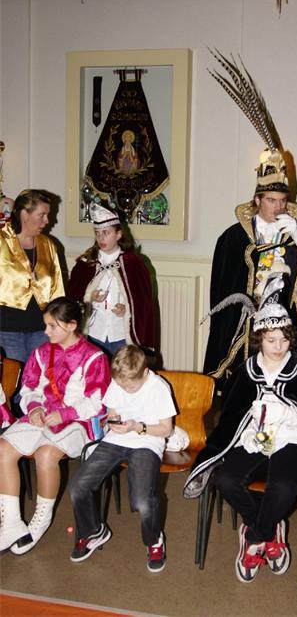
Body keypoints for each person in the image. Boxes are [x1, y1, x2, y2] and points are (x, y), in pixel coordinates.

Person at [184, 285, 297, 583]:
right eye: (271, 340)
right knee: (226, 479)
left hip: (292, 440)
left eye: (284, 339)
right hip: (254, 440)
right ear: (259, 339)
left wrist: (285, 413)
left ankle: (254, 537)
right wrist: (250, 422)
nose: (279, 346)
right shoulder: (246, 371)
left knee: (283, 487)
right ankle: (270, 529)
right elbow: (231, 416)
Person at [203, 148, 297, 385]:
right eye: (271, 200)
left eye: (282, 201)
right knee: (244, 383)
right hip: (247, 322)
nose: (279, 207)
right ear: (257, 200)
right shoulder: (233, 238)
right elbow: (222, 288)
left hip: (284, 319)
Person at [0, 296, 110, 555]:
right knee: (3, 448)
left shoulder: (94, 357)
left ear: (72, 325)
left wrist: (65, 414)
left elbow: (98, 402)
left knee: (46, 454)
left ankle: (41, 518)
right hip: (43, 417)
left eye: (52, 326)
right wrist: (34, 407)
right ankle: (12, 523)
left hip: (78, 423)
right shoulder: (41, 353)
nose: (46, 331)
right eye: (46, 325)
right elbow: (29, 388)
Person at [69, 344, 176, 572]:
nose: (125, 389)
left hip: (147, 441)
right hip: (117, 439)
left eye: (130, 386)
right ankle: (93, 531)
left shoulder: (159, 388)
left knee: (142, 501)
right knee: (78, 486)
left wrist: (138, 427)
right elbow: (112, 412)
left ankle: (154, 540)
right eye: (121, 384)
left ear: (145, 372)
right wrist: (113, 421)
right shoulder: (119, 381)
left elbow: (167, 429)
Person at [67, 202, 155, 357]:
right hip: (94, 334)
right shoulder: (86, 264)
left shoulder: (133, 264)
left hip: (120, 335)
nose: (101, 238)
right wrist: (90, 298)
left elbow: (142, 304)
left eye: (106, 232)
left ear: (118, 234)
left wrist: (127, 309)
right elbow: (72, 299)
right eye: (97, 233)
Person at [0, 189, 65, 363]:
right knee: (12, 379)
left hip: (41, 330)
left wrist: (59, 325)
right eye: (42, 215)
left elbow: (57, 290)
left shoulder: (48, 245)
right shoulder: (1, 241)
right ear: (24, 214)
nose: (47, 221)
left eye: (47, 215)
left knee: (40, 378)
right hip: (6, 331)